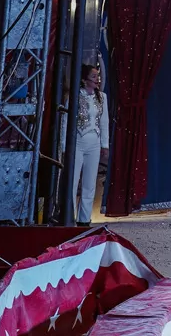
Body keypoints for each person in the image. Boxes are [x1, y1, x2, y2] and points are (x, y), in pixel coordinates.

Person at [71, 61, 109, 224]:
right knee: (72, 182)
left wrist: (105, 145)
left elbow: (104, 122)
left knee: (89, 182)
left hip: (94, 143)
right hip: (77, 142)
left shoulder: (102, 97)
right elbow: (66, 120)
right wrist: (63, 146)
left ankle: (84, 219)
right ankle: (69, 217)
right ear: (84, 79)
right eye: (94, 76)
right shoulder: (74, 96)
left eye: (98, 76)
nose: (97, 79)